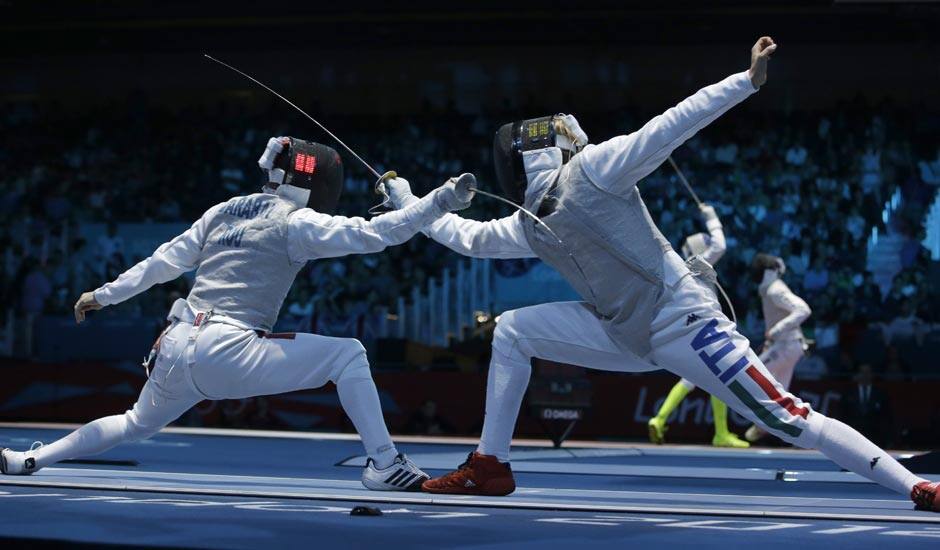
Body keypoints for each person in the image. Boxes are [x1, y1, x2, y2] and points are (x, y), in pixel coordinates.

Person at [382, 37, 939, 511]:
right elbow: (468, 237)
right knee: (511, 330)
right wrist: (410, 202)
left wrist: (743, 82)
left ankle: (915, 485)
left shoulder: (595, 172)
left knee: (786, 419)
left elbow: (670, 126)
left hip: (684, 321)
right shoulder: (532, 222)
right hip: (621, 332)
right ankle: (490, 465)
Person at [1, 136, 475, 493]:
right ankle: (384, 463)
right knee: (348, 355)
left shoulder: (223, 210)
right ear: (312, 183)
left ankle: (28, 460)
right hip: (229, 348)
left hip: (173, 343)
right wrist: (437, 200)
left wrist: (101, 296)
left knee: (133, 423)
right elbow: (379, 235)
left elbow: (162, 263)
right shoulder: (297, 222)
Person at [647, 203, 750, 448]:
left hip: (687, 324)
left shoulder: (679, 270)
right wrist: (712, 217)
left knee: (694, 377)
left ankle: (660, 419)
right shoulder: (696, 264)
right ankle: (721, 434)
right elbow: (720, 245)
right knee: (722, 372)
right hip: (706, 323)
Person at [743, 253, 812, 443]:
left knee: (751, 375)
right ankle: (798, 432)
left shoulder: (775, 290)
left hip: (787, 346)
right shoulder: (771, 289)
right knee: (779, 394)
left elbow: (803, 309)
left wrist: (776, 330)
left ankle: (764, 426)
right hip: (787, 345)